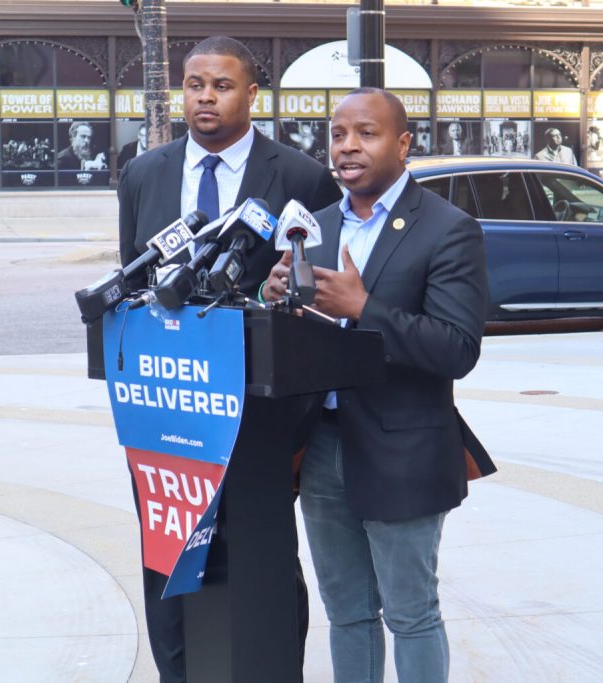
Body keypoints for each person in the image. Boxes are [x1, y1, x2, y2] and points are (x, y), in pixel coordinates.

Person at [117, 35, 342, 683]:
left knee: (262, 557)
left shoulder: (300, 177)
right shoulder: (144, 174)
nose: (205, 97)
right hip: (165, 411)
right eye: (194, 84)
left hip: (263, 415)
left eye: (220, 85)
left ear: (251, 93)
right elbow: (130, 287)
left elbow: (314, 295)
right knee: (170, 553)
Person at [263, 87, 496, 682]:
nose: (347, 147)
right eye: (338, 134)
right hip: (323, 447)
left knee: (411, 614)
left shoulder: (447, 228)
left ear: (403, 143)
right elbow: (300, 347)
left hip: (404, 447)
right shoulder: (311, 228)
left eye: (365, 133)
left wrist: (365, 307)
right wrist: (275, 307)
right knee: (347, 614)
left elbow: (456, 349)